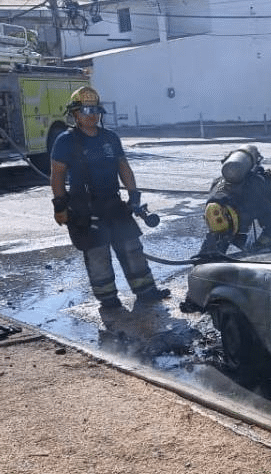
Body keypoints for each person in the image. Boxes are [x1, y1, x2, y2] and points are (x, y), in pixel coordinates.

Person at [50, 86, 170, 310]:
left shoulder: (110, 138)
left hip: (113, 203)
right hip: (85, 208)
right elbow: (56, 175)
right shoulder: (66, 141)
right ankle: (108, 301)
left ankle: (146, 291)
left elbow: (123, 167)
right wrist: (60, 206)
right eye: (85, 110)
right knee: (98, 255)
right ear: (75, 114)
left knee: (132, 247)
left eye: (95, 110)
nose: (91, 115)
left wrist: (134, 196)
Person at [198, 144, 271, 254]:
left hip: (230, 220)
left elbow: (214, 201)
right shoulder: (260, 181)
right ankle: (261, 251)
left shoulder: (219, 183)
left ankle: (209, 255)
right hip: (237, 218)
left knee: (219, 235)